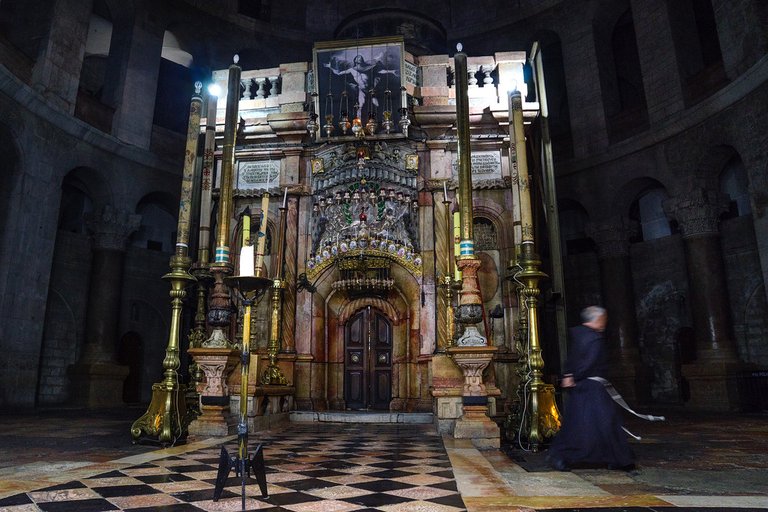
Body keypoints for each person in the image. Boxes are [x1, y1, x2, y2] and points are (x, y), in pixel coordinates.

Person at [547, 306, 635, 471]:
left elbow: (572, 358)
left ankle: (614, 457)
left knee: (580, 422)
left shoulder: (579, 336)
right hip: (592, 388)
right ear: (597, 319)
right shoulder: (594, 339)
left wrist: (568, 374)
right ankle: (616, 458)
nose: (605, 323)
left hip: (582, 388)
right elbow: (589, 362)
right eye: (604, 319)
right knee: (603, 422)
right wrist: (576, 375)